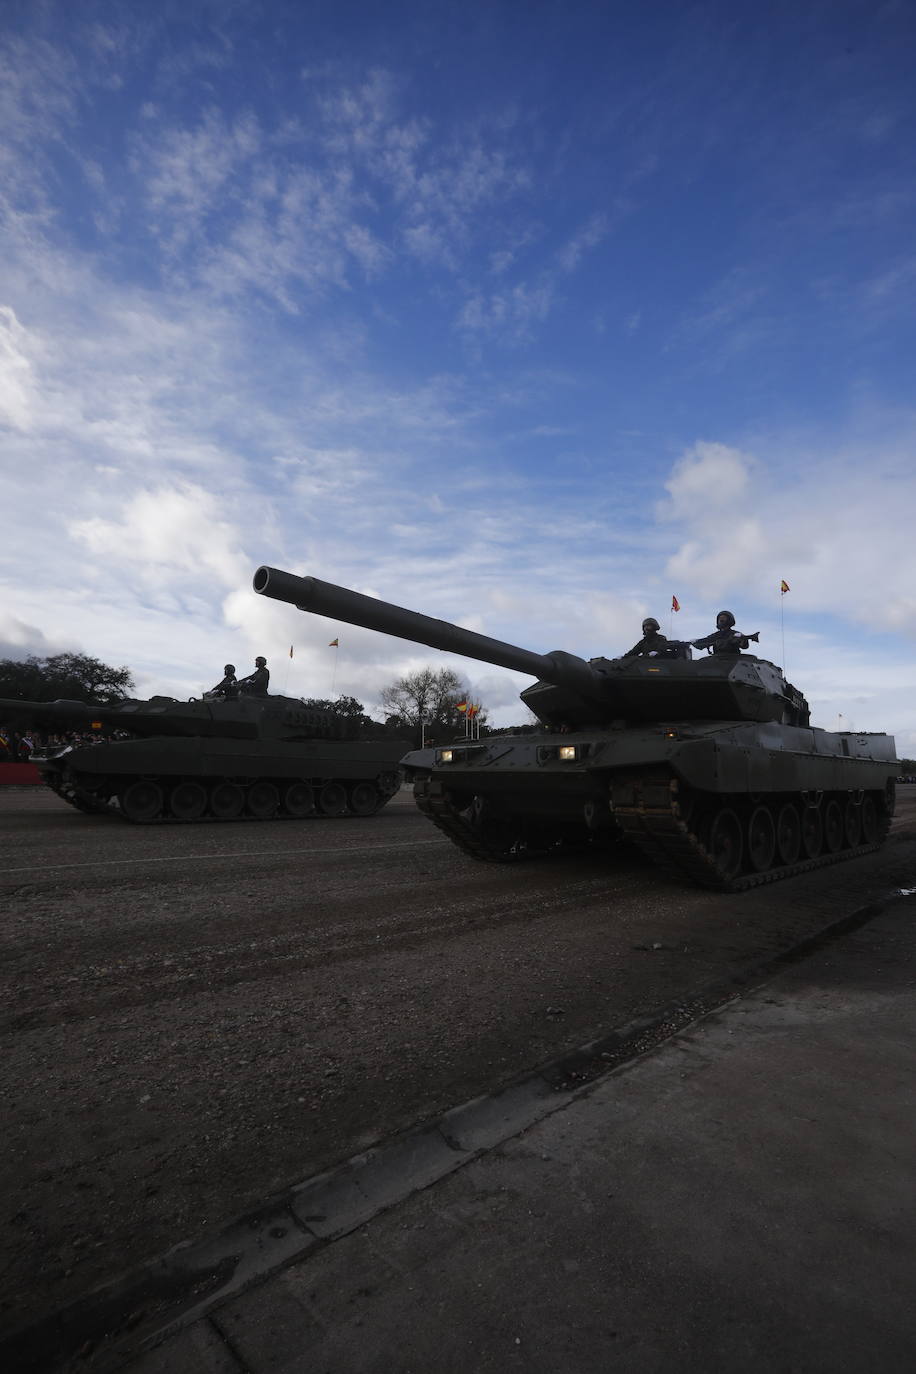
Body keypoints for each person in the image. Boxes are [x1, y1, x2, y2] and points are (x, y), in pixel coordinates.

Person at [692, 610, 760, 655]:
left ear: (729, 620)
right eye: (720, 618)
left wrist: (740, 641)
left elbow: (745, 646)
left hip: (733, 660)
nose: (721, 620)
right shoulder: (715, 635)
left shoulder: (735, 634)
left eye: (724, 618)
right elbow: (704, 641)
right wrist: (693, 642)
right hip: (717, 660)